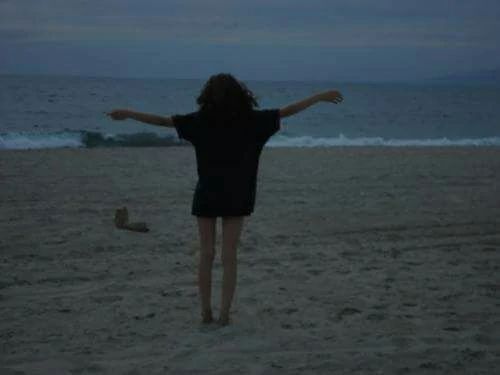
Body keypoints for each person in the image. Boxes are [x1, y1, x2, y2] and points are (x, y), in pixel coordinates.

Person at [107, 73, 343, 326]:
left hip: (207, 192)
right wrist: (319, 97)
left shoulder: (199, 121)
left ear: (207, 96)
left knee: (206, 253)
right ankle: (224, 315)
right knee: (229, 255)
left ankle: (205, 312)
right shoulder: (253, 121)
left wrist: (129, 113)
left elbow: (163, 122)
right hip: (238, 194)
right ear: (241, 94)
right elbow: (287, 111)